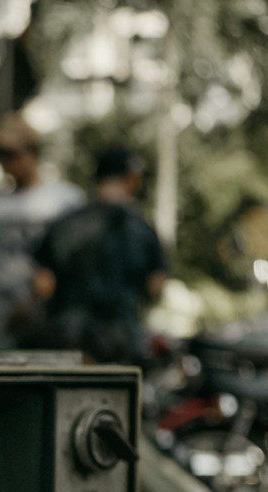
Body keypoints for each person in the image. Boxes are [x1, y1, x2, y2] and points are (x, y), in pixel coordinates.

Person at [31, 148, 167, 366]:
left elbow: (42, 287)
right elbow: (155, 288)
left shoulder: (64, 225)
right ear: (132, 180)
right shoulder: (144, 231)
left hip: (70, 341)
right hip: (123, 343)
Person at [0, 114, 83, 349]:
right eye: (2, 156)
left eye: (14, 155)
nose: (9, 163)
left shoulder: (64, 201)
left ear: (33, 153)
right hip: (1, 312)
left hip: (48, 311)